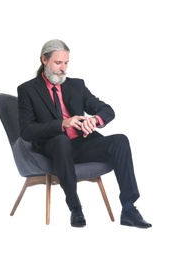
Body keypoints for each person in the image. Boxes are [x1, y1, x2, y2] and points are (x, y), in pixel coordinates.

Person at [17, 39, 152, 229]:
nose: (63, 68)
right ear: (44, 60)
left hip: (81, 144)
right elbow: (26, 131)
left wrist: (95, 120)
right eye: (58, 63)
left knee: (120, 141)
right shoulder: (27, 90)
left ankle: (129, 209)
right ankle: (75, 208)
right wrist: (62, 124)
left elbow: (107, 109)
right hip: (52, 146)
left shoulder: (76, 85)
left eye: (66, 63)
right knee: (62, 141)